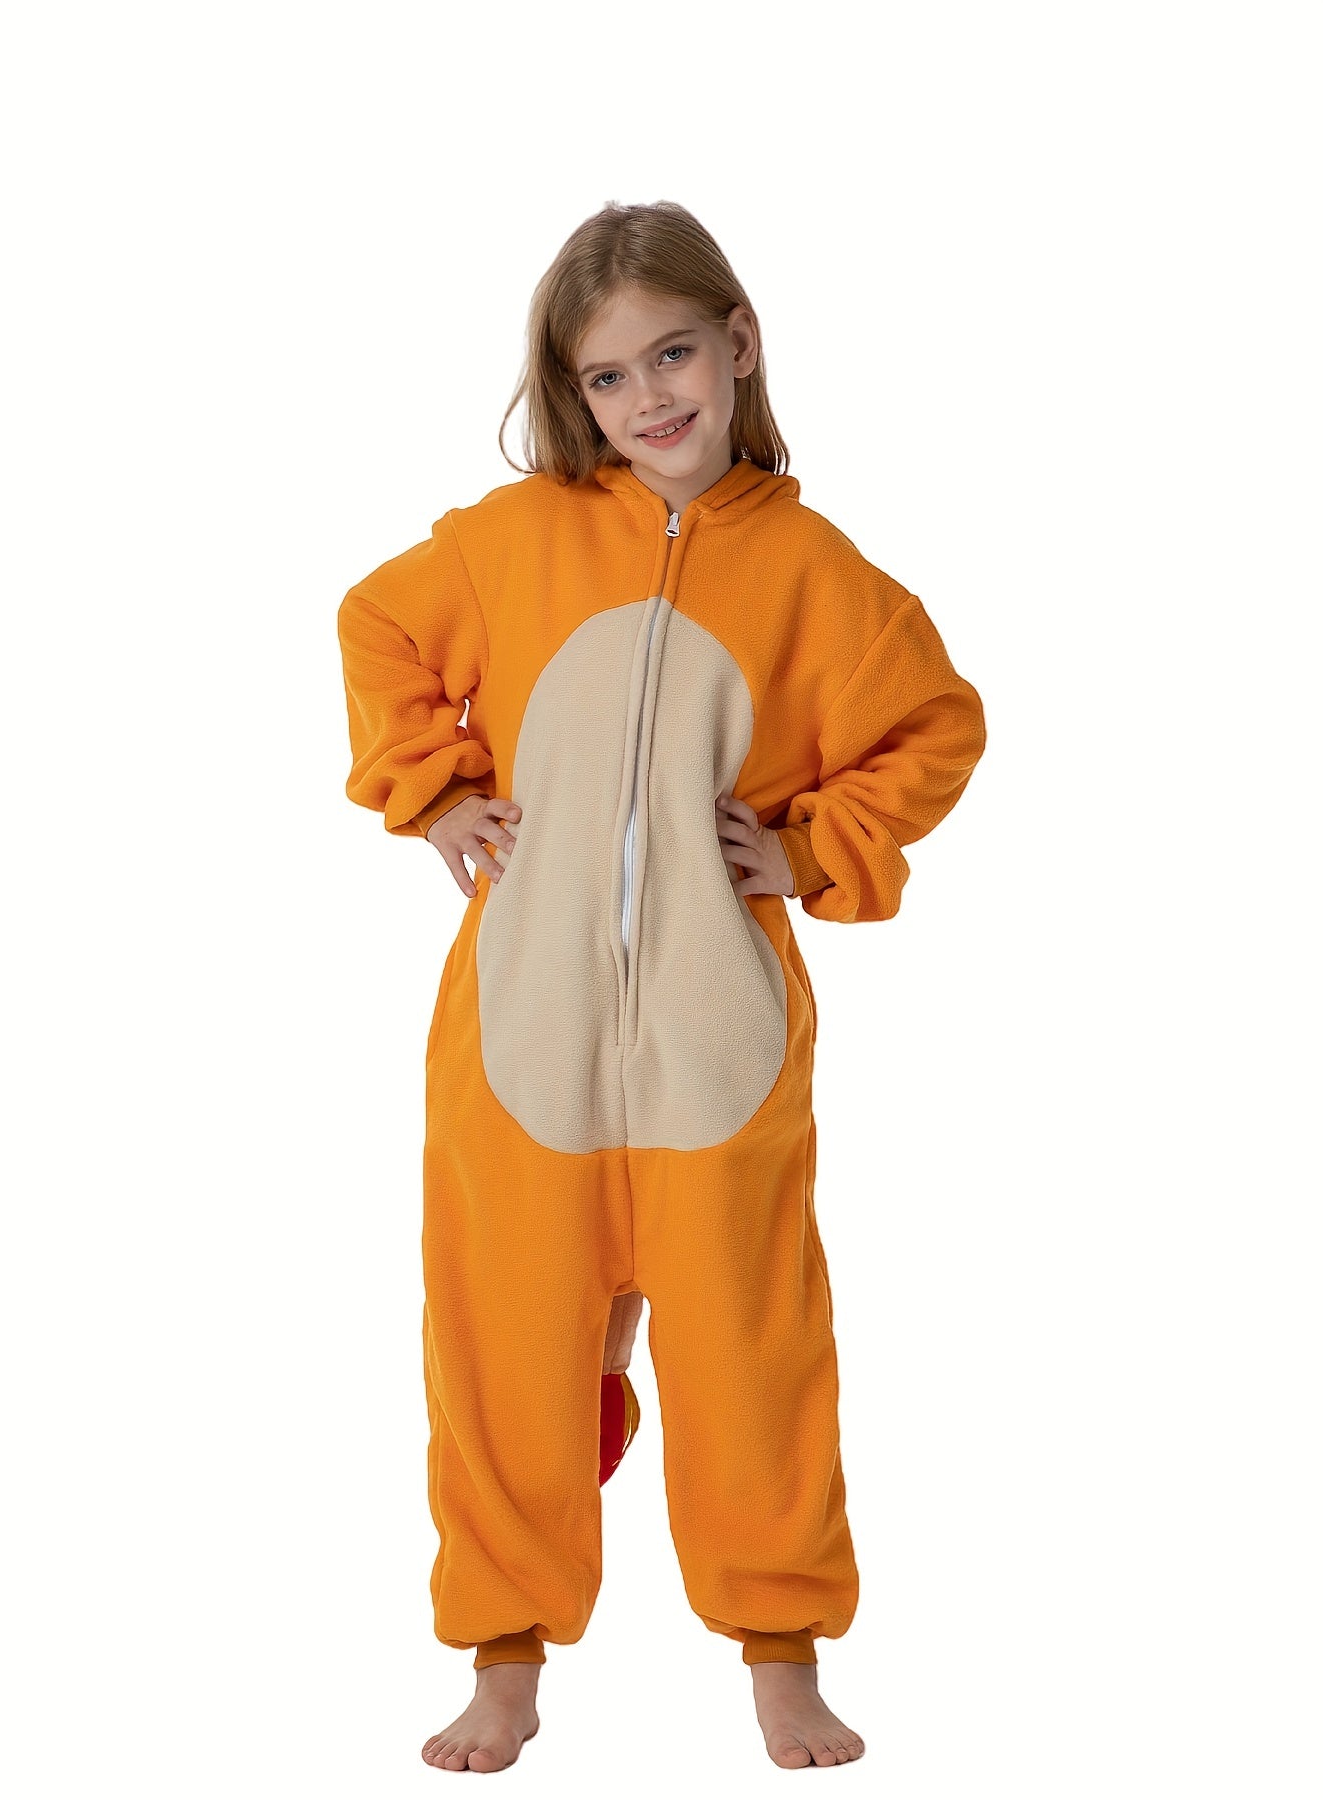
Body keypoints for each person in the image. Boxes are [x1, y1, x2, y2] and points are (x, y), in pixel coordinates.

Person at [336, 199, 987, 1774]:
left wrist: (811, 845)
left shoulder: (816, 574)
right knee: (501, 1345)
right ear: (573, 392)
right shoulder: (513, 542)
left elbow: (934, 725)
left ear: (738, 343)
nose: (648, 398)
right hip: (523, 1037)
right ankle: (503, 1656)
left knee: (751, 1353)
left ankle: (780, 1650)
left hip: (718, 1044)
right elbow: (377, 625)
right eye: (608, 376)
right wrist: (434, 793)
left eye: (673, 354)